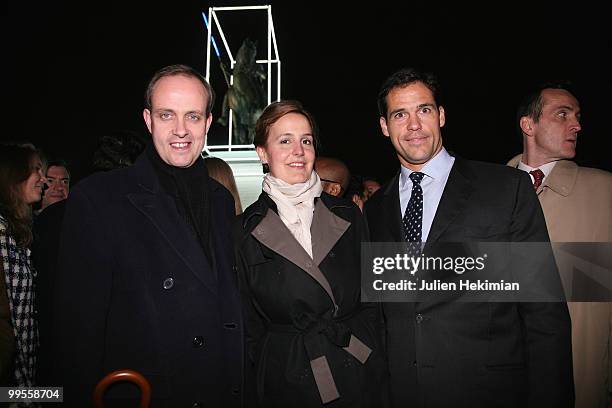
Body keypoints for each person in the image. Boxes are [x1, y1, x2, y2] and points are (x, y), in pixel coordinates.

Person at [365, 68, 573, 407]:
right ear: (385, 127)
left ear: (441, 116)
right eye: (400, 114)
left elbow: (544, 312)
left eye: (424, 110)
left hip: (489, 392)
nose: (414, 125)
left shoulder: (505, 189)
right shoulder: (375, 210)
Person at [52, 64, 243, 406]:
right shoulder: (99, 198)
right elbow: (77, 332)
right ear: (147, 119)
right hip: (147, 392)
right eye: (167, 115)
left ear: (209, 123)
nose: (181, 130)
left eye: (193, 116)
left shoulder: (220, 200)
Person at [235, 100, 386, 407]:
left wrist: (371, 346)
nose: (298, 151)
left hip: (354, 361)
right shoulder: (243, 230)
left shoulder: (349, 215)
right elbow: (246, 321)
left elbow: (375, 296)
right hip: (289, 374)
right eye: (285, 140)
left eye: (306, 140)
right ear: (262, 152)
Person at [508, 82, 612, 408]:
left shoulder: (605, 191)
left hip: (580, 374)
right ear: (529, 125)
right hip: (500, 375)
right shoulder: (486, 191)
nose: (577, 125)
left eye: (577, 116)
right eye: (562, 114)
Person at [0, 143, 44, 387]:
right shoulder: (1, 232)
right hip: (10, 379)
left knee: (56, 396)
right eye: (35, 170)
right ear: (13, 176)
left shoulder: (17, 231)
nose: (43, 178)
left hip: (23, 373)